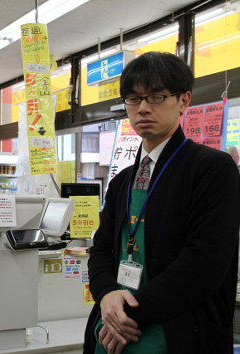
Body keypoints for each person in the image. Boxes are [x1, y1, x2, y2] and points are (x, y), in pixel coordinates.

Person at [84, 51, 240, 353]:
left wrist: (128, 315)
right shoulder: (122, 181)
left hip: (176, 331)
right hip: (111, 328)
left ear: (184, 100)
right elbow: (101, 247)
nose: (142, 108)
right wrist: (105, 295)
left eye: (156, 97)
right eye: (133, 99)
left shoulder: (213, 169)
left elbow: (204, 263)